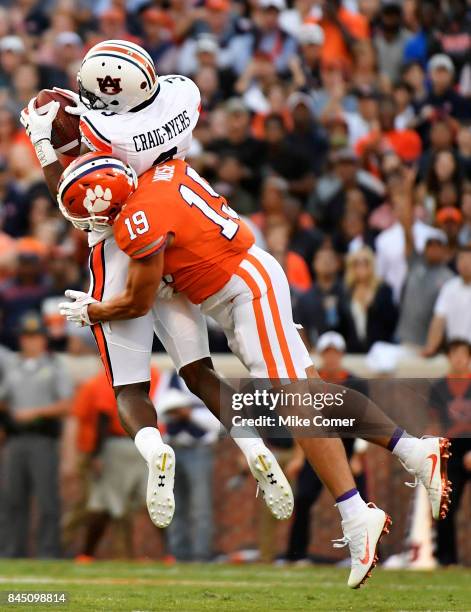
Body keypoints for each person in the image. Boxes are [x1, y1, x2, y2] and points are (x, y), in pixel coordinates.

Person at [57, 153, 450, 588]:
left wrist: (94, 309)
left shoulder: (137, 221)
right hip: (245, 278)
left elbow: (137, 303)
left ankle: (357, 512)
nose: (90, 226)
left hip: (241, 293)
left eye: (87, 216)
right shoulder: (163, 171)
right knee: (311, 395)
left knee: (298, 401)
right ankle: (414, 452)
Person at [21, 40, 295, 530]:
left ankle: (153, 450)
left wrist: (45, 143)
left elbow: (74, 201)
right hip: (171, 243)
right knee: (199, 371)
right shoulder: (181, 98)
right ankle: (254, 444)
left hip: (120, 247)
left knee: (128, 383)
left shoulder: (106, 135)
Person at [284, 331, 369, 563]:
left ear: (341, 355)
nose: (331, 358)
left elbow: (364, 421)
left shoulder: (356, 383)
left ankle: (368, 554)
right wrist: (298, 457)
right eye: (327, 353)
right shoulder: (311, 381)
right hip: (318, 446)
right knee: (303, 498)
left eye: (335, 353)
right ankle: (296, 554)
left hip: (349, 448)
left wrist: (357, 456)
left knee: (362, 503)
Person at [0, 312, 72, 558]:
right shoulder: (12, 366)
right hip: (15, 439)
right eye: (26, 337)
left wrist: (36, 412)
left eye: (35, 336)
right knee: (11, 499)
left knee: (46, 500)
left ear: (43, 339)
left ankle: (48, 552)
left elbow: (66, 405)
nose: (30, 341)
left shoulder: (54, 366)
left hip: (43, 437)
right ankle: (11, 552)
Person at [72, 369, 159, 562]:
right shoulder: (155, 372)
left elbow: (104, 414)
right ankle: (169, 554)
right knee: (154, 501)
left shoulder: (111, 375)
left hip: (119, 443)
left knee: (103, 504)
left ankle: (87, 554)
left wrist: (96, 453)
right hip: (151, 444)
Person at [158, 388, 219, 562]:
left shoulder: (209, 378)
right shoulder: (168, 379)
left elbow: (220, 421)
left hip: (199, 449)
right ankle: (178, 553)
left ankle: (200, 554)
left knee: (201, 506)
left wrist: (189, 415)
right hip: (173, 449)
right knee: (174, 504)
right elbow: (156, 411)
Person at [429, 339, 471, 566]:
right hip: (451, 450)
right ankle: (446, 559)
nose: (459, 358)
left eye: (463, 353)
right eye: (454, 353)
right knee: (445, 504)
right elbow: (434, 422)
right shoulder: (439, 387)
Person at [397, 233, 455, 348]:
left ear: (445, 251)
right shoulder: (415, 265)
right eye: (429, 246)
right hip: (404, 336)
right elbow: (408, 235)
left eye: (437, 246)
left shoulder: (449, 279)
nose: (433, 249)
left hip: (428, 341)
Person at [343, 247, 397, 353]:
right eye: (357, 263)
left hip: (379, 349)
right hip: (354, 350)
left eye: (365, 262)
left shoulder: (383, 289)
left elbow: (392, 319)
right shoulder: (347, 291)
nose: (361, 266)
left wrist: (373, 306)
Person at [423, 246, 471, 356]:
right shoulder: (449, 287)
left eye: (469, 259)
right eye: (462, 259)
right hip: (455, 351)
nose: (466, 264)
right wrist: (431, 346)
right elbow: (439, 319)